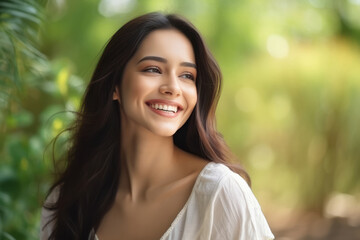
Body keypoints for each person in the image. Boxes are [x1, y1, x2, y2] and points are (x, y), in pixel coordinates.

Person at [40, 12, 275, 240]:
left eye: (187, 75)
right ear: (114, 86)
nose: (173, 87)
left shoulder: (219, 194)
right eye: (153, 69)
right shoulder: (69, 199)